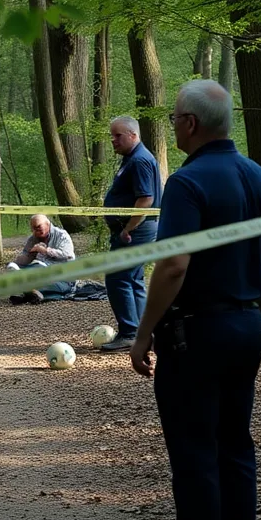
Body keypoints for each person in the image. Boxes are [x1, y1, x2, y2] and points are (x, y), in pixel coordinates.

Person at [129, 80, 261, 520]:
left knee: (197, 459)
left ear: (191, 125)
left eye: (175, 117)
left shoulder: (189, 183)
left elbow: (175, 264)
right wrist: (253, 319)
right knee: (236, 452)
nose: (173, 124)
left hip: (195, 335)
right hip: (246, 327)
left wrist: (144, 330)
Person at [100, 115, 163, 352]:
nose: (113, 140)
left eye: (118, 135)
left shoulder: (139, 161)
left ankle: (129, 333)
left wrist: (128, 229)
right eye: (111, 136)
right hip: (137, 229)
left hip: (137, 230)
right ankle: (144, 331)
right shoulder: (131, 158)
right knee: (133, 279)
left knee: (118, 278)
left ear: (133, 135)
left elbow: (146, 198)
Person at [4, 214, 75, 305]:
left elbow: (67, 254)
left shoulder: (61, 235)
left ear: (47, 224)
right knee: (26, 269)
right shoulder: (33, 239)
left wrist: (46, 251)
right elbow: (23, 261)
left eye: (38, 227)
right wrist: (31, 254)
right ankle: (27, 290)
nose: (35, 231)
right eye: (33, 229)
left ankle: (24, 289)